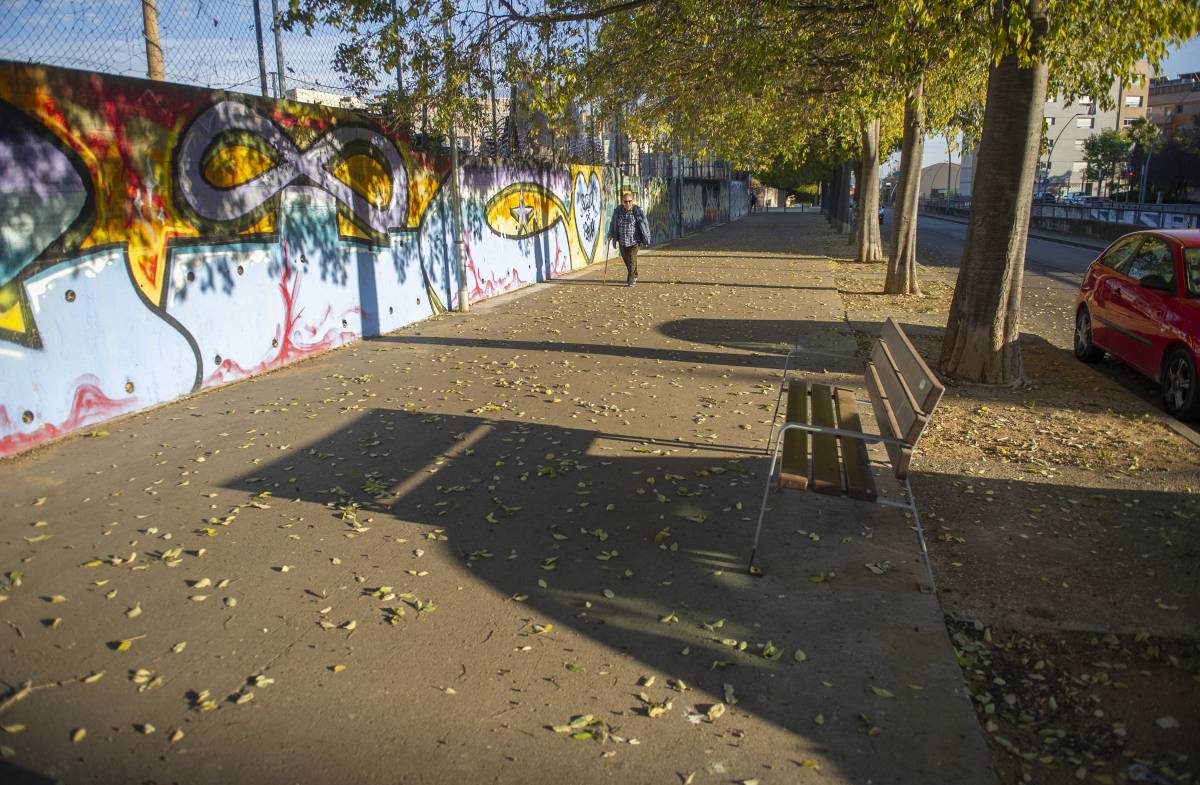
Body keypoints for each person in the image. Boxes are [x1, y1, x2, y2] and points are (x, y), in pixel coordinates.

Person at [608, 190, 651, 286]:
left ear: (633, 201)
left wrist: (646, 237)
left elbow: (645, 224)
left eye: (629, 201)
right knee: (628, 261)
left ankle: (631, 280)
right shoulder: (618, 211)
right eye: (625, 201)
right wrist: (610, 233)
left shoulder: (637, 211)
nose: (628, 203)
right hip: (622, 241)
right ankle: (634, 275)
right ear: (622, 201)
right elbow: (613, 223)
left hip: (634, 241)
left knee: (632, 260)